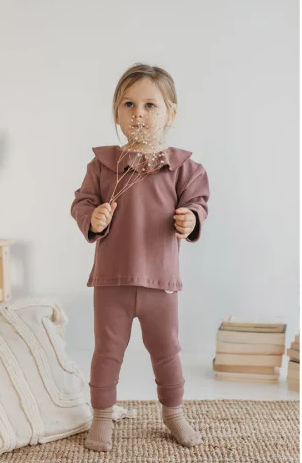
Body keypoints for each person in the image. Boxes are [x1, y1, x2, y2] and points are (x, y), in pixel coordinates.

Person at [70, 63, 210, 452]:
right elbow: (81, 201)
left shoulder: (183, 168)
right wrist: (93, 217)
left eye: (151, 105)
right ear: (116, 113)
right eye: (128, 104)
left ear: (171, 113)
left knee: (167, 352)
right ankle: (101, 416)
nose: (139, 114)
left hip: (159, 282)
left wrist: (191, 218)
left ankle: (174, 413)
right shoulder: (103, 165)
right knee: (107, 352)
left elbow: (199, 202)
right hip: (111, 280)